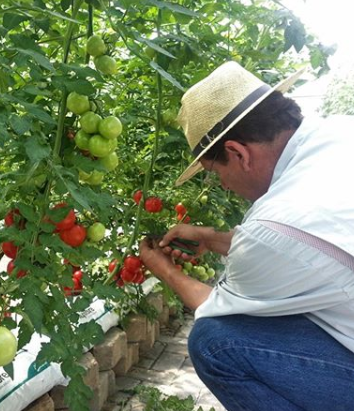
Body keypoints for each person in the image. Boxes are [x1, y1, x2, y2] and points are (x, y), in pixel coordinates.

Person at [139, 61, 354, 411]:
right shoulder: (342, 131)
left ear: (238, 154)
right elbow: (312, 246)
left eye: (214, 173)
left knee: (216, 343)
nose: (222, 186)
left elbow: (216, 309)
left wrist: (165, 270)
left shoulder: (275, 223)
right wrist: (214, 238)